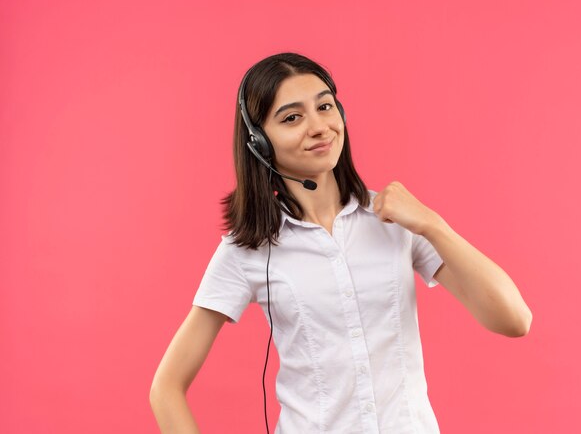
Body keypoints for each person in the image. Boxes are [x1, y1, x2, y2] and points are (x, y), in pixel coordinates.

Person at [149, 52, 533, 434]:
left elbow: (513, 320)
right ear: (259, 142)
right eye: (292, 117)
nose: (319, 127)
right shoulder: (247, 249)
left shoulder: (397, 220)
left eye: (325, 106)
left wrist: (433, 224)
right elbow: (166, 388)